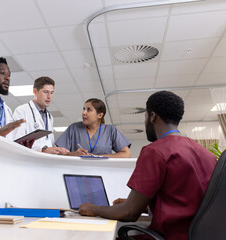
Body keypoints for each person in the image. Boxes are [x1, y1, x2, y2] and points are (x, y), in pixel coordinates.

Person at [78, 91, 217, 240]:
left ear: (152, 116)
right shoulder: (207, 154)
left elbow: (129, 213)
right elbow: (187, 200)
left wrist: (93, 208)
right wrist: (144, 204)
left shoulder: (155, 152)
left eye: (145, 115)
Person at [55, 98, 131, 157]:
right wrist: (74, 154)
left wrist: (99, 157)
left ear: (100, 115)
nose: (84, 113)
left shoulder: (110, 130)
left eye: (89, 110)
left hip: (103, 172)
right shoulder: (74, 128)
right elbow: (58, 153)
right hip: (77, 172)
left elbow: (127, 154)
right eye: (84, 109)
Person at [13, 77, 69, 154]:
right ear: (35, 91)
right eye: (45, 92)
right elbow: (18, 141)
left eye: (51, 92)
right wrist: (43, 149)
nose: (49, 97)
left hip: (45, 161)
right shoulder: (21, 111)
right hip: (28, 160)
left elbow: (49, 142)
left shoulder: (49, 117)